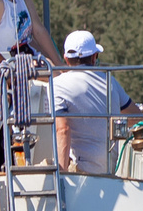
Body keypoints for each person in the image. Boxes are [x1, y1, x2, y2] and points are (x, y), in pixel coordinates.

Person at [45, 29, 130, 174]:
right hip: (110, 167)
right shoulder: (110, 81)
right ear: (94, 57)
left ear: (66, 58)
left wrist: (61, 174)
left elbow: (63, 130)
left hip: (80, 170)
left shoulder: (57, 85)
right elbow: (137, 116)